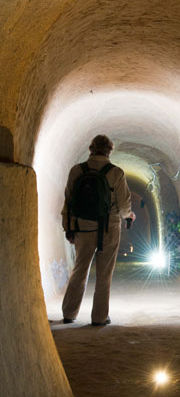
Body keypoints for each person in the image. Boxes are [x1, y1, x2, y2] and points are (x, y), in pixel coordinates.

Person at [61, 134, 135, 326]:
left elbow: (68, 201)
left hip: (82, 227)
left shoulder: (77, 171)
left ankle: (69, 313)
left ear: (91, 149)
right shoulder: (116, 172)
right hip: (108, 228)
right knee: (104, 274)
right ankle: (99, 317)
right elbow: (124, 205)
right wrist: (129, 216)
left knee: (79, 270)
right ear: (110, 150)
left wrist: (68, 227)